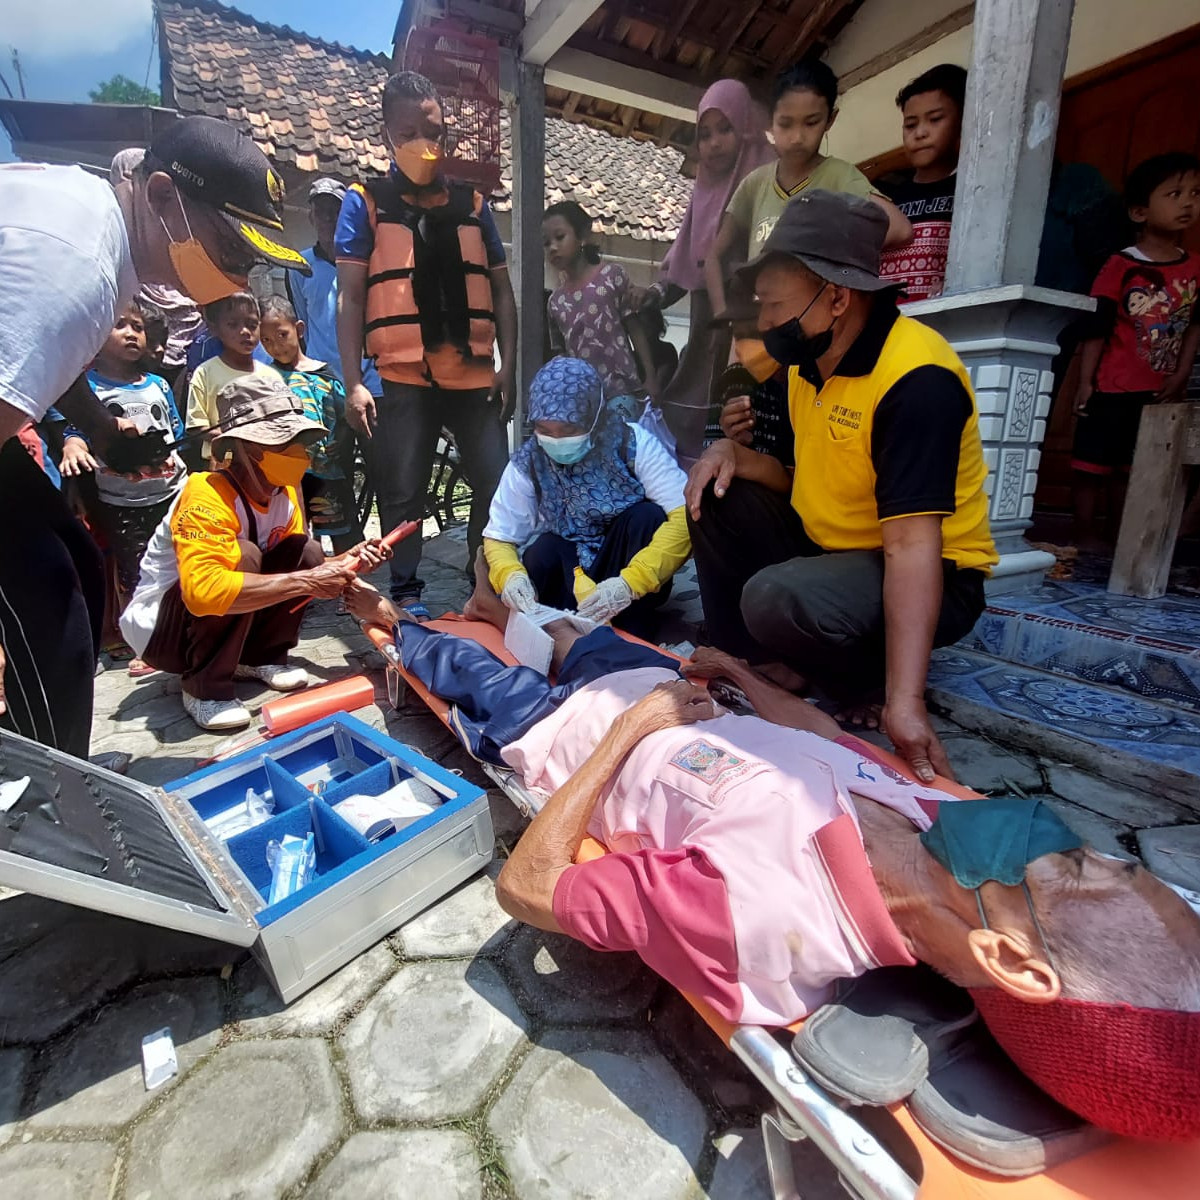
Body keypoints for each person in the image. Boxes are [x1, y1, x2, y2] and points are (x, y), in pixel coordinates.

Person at [343, 563, 1200, 1145]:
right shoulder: (942, 819)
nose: (1064, 834)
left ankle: (397, 619)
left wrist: (632, 733)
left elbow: (527, 891)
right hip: (665, 688)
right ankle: (506, 611)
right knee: (562, 629)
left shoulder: (762, 922)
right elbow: (832, 739)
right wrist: (743, 686)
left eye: (1086, 869)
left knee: (448, 656)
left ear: (1009, 957)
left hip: (557, 731)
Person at [0, 115, 311, 756]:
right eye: (233, 252)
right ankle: (46, 789)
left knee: (75, 569)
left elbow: (29, 358)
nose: (238, 277)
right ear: (165, 197)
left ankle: (51, 764)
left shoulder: (103, 244)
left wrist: (99, 429)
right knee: (48, 590)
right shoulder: (81, 266)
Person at [687, 190, 997, 782]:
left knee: (777, 596)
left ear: (836, 296)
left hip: (928, 568)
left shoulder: (917, 381)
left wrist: (904, 703)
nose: (767, 323)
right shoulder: (809, 365)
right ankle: (750, 666)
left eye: (776, 306)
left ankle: (863, 680)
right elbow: (804, 481)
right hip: (832, 549)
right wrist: (735, 455)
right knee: (714, 494)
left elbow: (911, 545)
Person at [336, 70, 517, 618]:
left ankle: (481, 580)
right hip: (403, 375)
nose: (425, 143)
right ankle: (407, 591)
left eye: (434, 131)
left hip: (476, 375)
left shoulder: (475, 205)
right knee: (403, 490)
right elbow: (348, 298)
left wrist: (509, 363)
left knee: (496, 481)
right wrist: (351, 383)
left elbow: (504, 294)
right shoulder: (363, 201)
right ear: (388, 132)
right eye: (410, 130)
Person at [121, 374, 389, 732]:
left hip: (224, 610)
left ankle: (259, 656)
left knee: (304, 550)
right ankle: (204, 687)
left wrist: (346, 562)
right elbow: (203, 593)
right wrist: (308, 579)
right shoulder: (205, 493)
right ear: (247, 449)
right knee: (243, 555)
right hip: (162, 633)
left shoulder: (286, 493)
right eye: (285, 443)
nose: (298, 452)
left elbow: (299, 568)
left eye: (299, 441)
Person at [482, 358, 690, 636]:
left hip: (625, 564)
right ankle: (558, 624)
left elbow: (684, 516)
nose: (556, 440)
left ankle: (633, 623)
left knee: (646, 518)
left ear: (594, 417)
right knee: (541, 551)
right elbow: (500, 536)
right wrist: (510, 576)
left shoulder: (633, 443)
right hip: (571, 567)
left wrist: (630, 583)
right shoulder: (528, 461)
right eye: (545, 430)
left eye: (568, 430)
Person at [705, 59, 912, 325]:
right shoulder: (754, 184)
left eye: (811, 122)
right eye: (786, 124)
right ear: (770, 122)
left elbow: (899, 228)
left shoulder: (839, 176)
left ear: (830, 119)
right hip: (758, 322)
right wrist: (722, 309)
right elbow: (715, 253)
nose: (797, 137)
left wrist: (828, 250)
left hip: (811, 324)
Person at [636, 79, 774, 460]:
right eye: (705, 134)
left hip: (758, 321)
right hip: (708, 325)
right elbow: (686, 266)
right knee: (700, 404)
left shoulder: (771, 179)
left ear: (745, 126)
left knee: (754, 414)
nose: (713, 143)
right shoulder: (703, 193)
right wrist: (653, 294)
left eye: (725, 129)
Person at [1071, 152, 1200, 550]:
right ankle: (1086, 533)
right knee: (1092, 466)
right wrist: (1085, 382)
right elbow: (1097, 328)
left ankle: (1120, 535)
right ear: (1140, 212)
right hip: (1112, 386)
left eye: (1195, 193)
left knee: (1135, 467)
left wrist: (1179, 375)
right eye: (1175, 193)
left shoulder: (1195, 268)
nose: (1188, 203)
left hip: (1159, 390)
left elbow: (1195, 326)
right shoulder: (1119, 266)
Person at [59, 299, 188, 673]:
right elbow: (76, 431)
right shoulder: (86, 388)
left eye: (138, 327)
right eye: (120, 326)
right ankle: (145, 641)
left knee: (177, 562)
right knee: (136, 572)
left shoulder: (159, 384)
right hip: (121, 500)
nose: (131, 333)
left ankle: (182, 626)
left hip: (169, 492)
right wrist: (72, 447)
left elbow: (175, 434)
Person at [259, 295, 362, 553]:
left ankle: (348, 582)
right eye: (267, 341)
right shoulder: (266, 379)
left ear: (299, 329)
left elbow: (344, 415)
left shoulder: (323, 374)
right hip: (287, 473)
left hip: (326, 470)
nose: (277, 346)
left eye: (282, 335)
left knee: (339, 530)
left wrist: (341, 441)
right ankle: (309, 585)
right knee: (298, 534)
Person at [544, 200, 660, 421]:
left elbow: (634, 329)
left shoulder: (612, 276)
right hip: (583, 400)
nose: (553, 247)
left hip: (622, 389)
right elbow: (561, 356)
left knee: (620, 449)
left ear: (582, 236)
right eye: (546, 243)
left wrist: (651, 376)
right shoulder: (555, 303)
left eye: (559, 237)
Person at [876, 64, 967, 302]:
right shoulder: (887, 195)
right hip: (889, 327)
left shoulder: (970, 191)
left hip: (944, 327)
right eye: (910, 124)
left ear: (963, 122)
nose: (920, 133)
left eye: (935, 119)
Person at [287, 177, 383, 400]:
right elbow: (302, 322)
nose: (329, 218)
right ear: (311, 217)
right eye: (321, 211)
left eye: (335, 210)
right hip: (322, 384)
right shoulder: (299, 266)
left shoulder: (367, 262)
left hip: (370, 382)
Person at [185, 292, 276, 467]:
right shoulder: (204, 373)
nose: (245, 332)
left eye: (252, 325)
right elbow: (197, 426)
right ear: (215, 329)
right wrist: (232, 440)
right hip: (221, 464)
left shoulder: (270, 373)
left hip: (262, 462)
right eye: (233, 325)